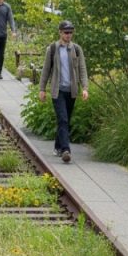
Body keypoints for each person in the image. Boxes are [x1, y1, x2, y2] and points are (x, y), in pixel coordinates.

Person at [38, 20, 89, 163]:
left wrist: (85, 88)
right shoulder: (53, 49)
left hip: (71, 91)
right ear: (60, 32)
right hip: (57, 90)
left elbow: (82, 69)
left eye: (71, 32)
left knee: (65, 121)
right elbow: (46, 70)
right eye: (66, 32)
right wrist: (42, 89)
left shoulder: (77, 49)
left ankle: (58, 146)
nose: (69, 35)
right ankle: (66, 150)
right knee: (63, 119)